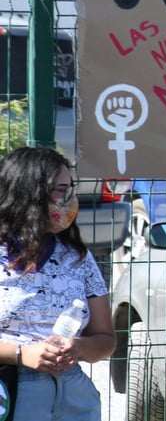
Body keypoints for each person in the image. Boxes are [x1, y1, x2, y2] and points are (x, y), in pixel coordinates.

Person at [0, 147, 116, 420]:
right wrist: (21, 354)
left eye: (71, 188)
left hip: (74, 395)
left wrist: (79, 348)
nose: (70, 199)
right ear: (30, 192)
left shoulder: (78, 257)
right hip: (10, 392)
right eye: (61, 189)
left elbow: (106, 339)